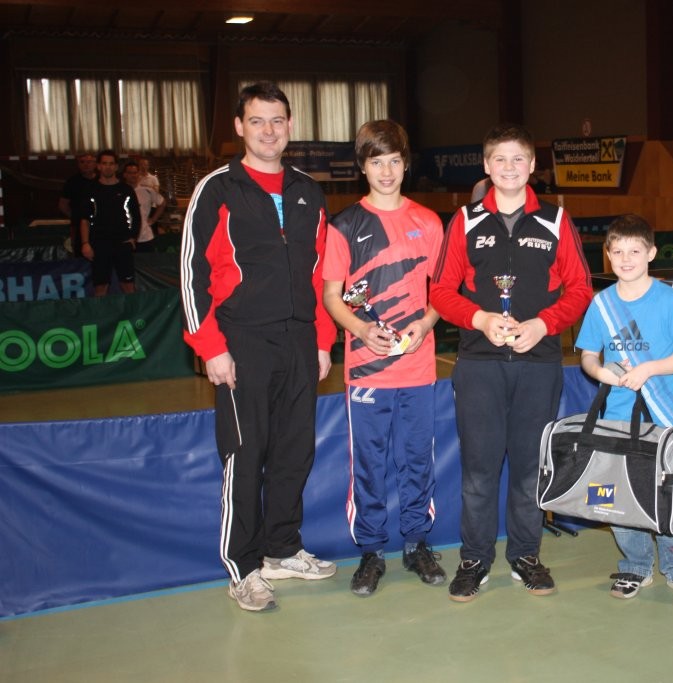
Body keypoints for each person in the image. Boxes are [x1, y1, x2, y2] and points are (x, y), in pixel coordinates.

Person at [179, 81, 338, 612]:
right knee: (245, 455)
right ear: (239, 127)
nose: (268, 131)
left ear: (290, 126)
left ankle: (282, 550)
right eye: (257, 121)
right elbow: (192, 274)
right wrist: (211, 347)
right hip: (241, 340)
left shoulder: (308, 191)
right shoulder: (217, 189)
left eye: (277, 120)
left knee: (295, 452)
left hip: (300, 341)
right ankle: (243, 567)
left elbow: (318, 273)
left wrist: (321, 340)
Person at [431, 123, 592, 602]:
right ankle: (474, 560)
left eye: (518, 158)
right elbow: (440, 290)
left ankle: (525, 556)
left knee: (528, 468)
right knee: (479, 471)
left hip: (538, 363)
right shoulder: (464, 220)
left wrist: (544, 324)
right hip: (479, 364)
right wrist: (480, 318)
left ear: (532, 165)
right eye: (499, 159)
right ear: (486, 165)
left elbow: (580, 288)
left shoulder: (556, 221)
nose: (509, 167)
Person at [322, 120, 446, 597]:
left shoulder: (428, 222)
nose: (387, 171)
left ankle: (416, 543)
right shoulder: (345, 225)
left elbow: (444, 292)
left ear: (406, 163)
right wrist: (360, 329)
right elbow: (332, 296)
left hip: (418, 368)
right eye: (377, 162)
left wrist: (426, 324)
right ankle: (371, 551)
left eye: (395, 161)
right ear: (362, 166)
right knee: (369, 465)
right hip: (366, 371)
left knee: (417, 460)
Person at [575, 214, 673, 602]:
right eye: (617, 252)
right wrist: (601, 371)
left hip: (661, 419)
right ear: (607, 255)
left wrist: (650, 368)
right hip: (615, 420)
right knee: (613, 497)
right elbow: (587, 355)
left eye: (635, 251)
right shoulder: (601, 304)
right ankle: (635, 565)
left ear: (651, 253)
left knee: (666, 495)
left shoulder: (668, 300)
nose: (626, 259)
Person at [80, 150, 142, 296]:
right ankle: (101, 311)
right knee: (101, 286)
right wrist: (85, 243)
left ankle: (132, 309)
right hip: (99, 244)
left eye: (111, 164)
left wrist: (133, 237)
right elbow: (84, 219)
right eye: (104, 163)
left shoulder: (126, 190)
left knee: (128, 285)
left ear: (116, 167)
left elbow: (136, 216)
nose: (108, 167)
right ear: (99, 166)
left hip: (123, 243)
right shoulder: (90, 189)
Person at [59, 152, 97, 257]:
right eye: (82, 162)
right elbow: (63, 205)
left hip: (99, 226)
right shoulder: (72, 182)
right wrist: (76, 216)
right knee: (80, 254)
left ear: (95, 164)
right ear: (78, 164)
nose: (86, 165)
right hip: (78, 226)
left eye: (89, 162)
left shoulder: (101, 181)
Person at [123, 160, 165, 253]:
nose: (133, 175)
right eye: (130, 173)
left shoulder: (147, 190)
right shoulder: (120, 192)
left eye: (135, 173)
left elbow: (162, 203)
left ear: (138, 174)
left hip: (145, 236)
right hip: (125, 237)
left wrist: (153, 219)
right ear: (125, 175)